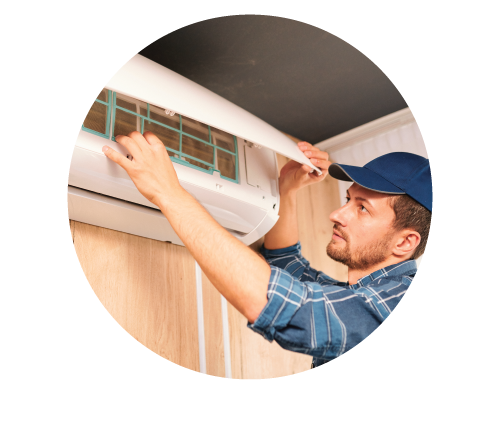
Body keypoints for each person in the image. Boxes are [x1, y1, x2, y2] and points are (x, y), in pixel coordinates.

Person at [102, 132, 432, 367]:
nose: (337, 213)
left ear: (405, 242)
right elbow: (285, 265)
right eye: (348, 199)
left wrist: (168, 191)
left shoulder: (394, 300)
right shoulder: (361, 296)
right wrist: (285, 189)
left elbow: (290, 306)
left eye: (362, 208)